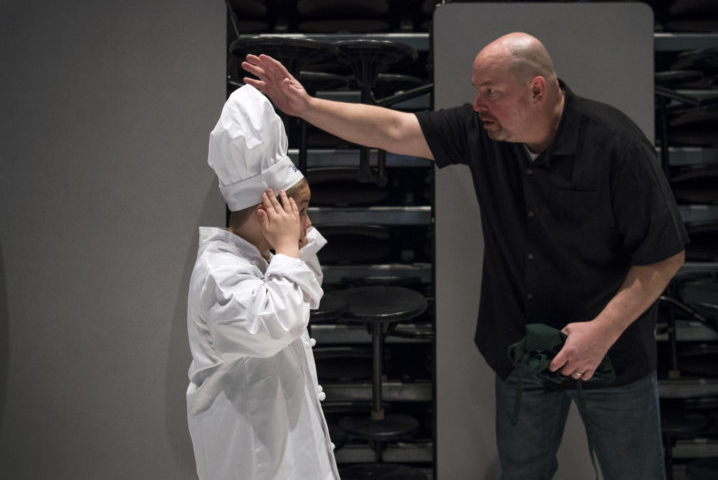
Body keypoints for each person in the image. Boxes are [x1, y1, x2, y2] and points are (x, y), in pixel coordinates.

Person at [241, 31, 688, 480]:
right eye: (477, 90)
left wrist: (601, 332)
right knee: (521, 472)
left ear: (536, 89)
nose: (478, 103)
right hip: (522, 349)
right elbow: (394, 129)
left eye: (490, 91)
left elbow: (665, 254)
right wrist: (305, 106)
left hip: (611, 353)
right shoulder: (483, 131)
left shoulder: (615, 143)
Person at [186, 84, 340, 480]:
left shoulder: (260, 262)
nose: (306, 224)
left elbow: (307, 294)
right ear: (266, 210)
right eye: (300, 211)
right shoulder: (221, 274)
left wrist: (293, 246)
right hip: (251, 460)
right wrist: (289, 247)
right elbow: (277, 324)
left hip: (281, 449)